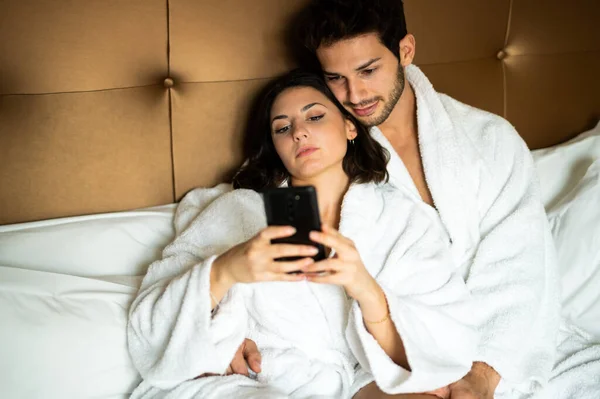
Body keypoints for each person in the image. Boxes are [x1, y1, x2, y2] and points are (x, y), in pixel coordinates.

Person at [227, 1, 587, 398]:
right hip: (386, 355)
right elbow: (250, 205)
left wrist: (483, 372)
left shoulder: (491, 140)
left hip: (494, 349)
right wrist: (230, 328)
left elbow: (521, 264)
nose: (355, 94)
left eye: (368, 70)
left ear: (405, 51)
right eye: (336, 78)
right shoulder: (327, 142)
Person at [126, 69, 478, 398]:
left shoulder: (402, 219)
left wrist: (368, 292)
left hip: (363, 380)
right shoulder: (236, 212)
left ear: (350, 126)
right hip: (259, 383)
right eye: (282, 128)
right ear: (276, 146)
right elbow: (150, 328)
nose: (298, 132)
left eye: (314, 116)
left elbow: (446, 345)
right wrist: (226, 270)